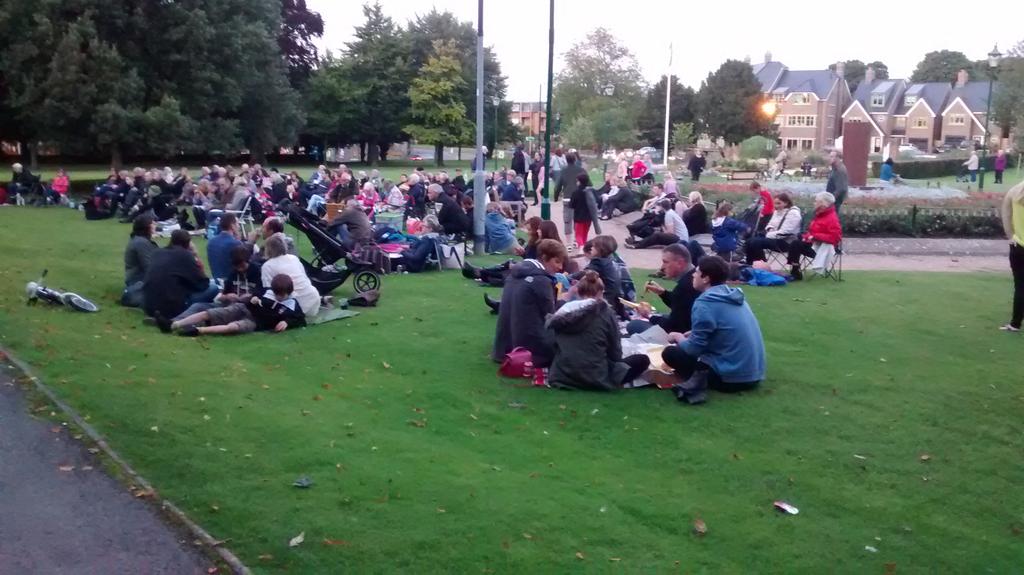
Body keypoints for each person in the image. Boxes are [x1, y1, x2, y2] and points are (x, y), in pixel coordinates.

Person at [662, 255, 766, 405]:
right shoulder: (733, 296)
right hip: (754, 374)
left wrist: (678, 337)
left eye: (697, 272)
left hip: (730, 378)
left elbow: (693, 349)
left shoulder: (705, 303)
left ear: (706, 278)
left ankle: (700, 378)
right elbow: (724, 330)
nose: (693, 275)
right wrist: (693, 334)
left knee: (670, 353)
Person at [546, 270, 651, 391]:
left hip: (563, 375)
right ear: (600, 292)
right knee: (642, 360)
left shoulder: (562, 313)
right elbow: (615, 351)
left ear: (579, 291)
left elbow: (552, 343)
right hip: (597, 376)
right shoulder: (605, 312)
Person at [492, 239, 567, 367]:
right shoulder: (541, 281)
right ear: (544, 258)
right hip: (531, 353)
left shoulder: (515, 273)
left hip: (503, 349)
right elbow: (551, 317)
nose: (560, 267)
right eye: (557, 261)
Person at [163, 274, 306, 337]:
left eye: (281, 295)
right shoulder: (267, 291)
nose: (277, 297)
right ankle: (174, 324)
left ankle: (197, 331)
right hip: (245, 308)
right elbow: (254, 295)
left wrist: (286, 322)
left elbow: (300, 319)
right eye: (276, 294)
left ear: (288, 292)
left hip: (255, 322)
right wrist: (253, 299)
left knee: (232, 327)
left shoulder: (292, 305)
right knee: (210, 313)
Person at [627, 244, 700, 336]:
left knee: (634, 325)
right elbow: (680, 305)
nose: (662, 267)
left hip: (683, 335)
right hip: (691, 328)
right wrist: (662, 293)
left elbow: (674, 326)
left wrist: (649, 316)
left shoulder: (685, 286)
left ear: (680, 263)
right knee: (663, 316)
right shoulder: (692, 278)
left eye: (666, 262)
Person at [143, 230, 216, 321]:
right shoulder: (185, 255)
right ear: (188, 243)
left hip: (149, 304)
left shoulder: (157, 253)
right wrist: (195, 256)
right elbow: (202, 284)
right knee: (214, 288)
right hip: (173, 306)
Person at [260, 233, 321, 318]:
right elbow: (304, 277)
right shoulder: (293, 258)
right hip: (313, 298)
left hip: (294, 306)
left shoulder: (267, 266)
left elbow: (268, 291)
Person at [786, 192, 842, 280]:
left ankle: (795, 271)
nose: (814, 203)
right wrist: (807, 236)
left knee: (795, 244)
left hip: (824, 249)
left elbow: (835, 238)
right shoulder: (820, 215)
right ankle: (795, 270)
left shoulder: (831, 218)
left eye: (816, 201)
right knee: (796, 240)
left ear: (823, 203)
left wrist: (815, 236)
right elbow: (813, 232)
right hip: (815, 245)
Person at [745, 192, 803, 264]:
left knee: (755, 242)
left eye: (779, 203)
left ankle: (761, 265)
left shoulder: (793, 214)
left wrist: (768, 234)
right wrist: (769, 230)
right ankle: (751, 264)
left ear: (786, 203)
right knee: (749, 240)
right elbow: (770, 224)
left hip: (786, 241)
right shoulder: (776, 212)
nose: (776, 206)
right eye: (775, 203)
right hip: (774, 237)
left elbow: (786, 231)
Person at [1000, 180, 1024, 332]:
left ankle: (1015, 323)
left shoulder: (1015, 191)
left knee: (1020, 286)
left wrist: (1011, 236)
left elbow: (1006, 216)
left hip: (1018, 246)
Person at [121, 215, 159, 307]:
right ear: (147, 226)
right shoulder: (141, 243)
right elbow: (149, 267)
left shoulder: (140, 240)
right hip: (138, 279)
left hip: (137, 277)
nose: (155, 224)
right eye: (152, 223)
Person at [554, 152, 585, 242]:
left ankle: (568, 243)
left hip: (567, 198)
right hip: (579, 198)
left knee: (567, 220)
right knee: (578, 219)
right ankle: (577, 239)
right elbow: (588, 183)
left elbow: (558, 186)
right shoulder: (581, 170)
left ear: (566, 160)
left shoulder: (563, 171)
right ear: (575, 159)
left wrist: (556, 197)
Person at [206, 213, 244, 281]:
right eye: (237, 224)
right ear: (232, 226)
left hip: (216, 279)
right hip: (231, 282)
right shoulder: (235, 243)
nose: (239, 227)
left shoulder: (211, 242)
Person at [570, 172, 602, 248]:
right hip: (589, 217)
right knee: (585, 234)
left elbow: (572, 205)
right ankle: (584, 246)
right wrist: (598, 208)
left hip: (579, 217)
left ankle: (581, 247)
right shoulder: (592, 191)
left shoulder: (576, 193)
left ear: (579, 182)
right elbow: (599, 200)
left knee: (578, 234)